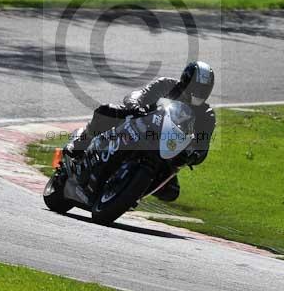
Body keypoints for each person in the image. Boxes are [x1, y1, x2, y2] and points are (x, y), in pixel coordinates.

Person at [66, 61, 216, 202]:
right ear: (185, 81)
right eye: (196, 88)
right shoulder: (166, 85)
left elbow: (203, 142)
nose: (199, 93)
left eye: (203, 90)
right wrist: (136, 106)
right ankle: (81, 142)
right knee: (104, 111)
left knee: (171, 191)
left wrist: (195, 154)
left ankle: (130, 193)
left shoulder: (206, 114)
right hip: (143, 126)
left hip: (166, 148)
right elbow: (141, 94)